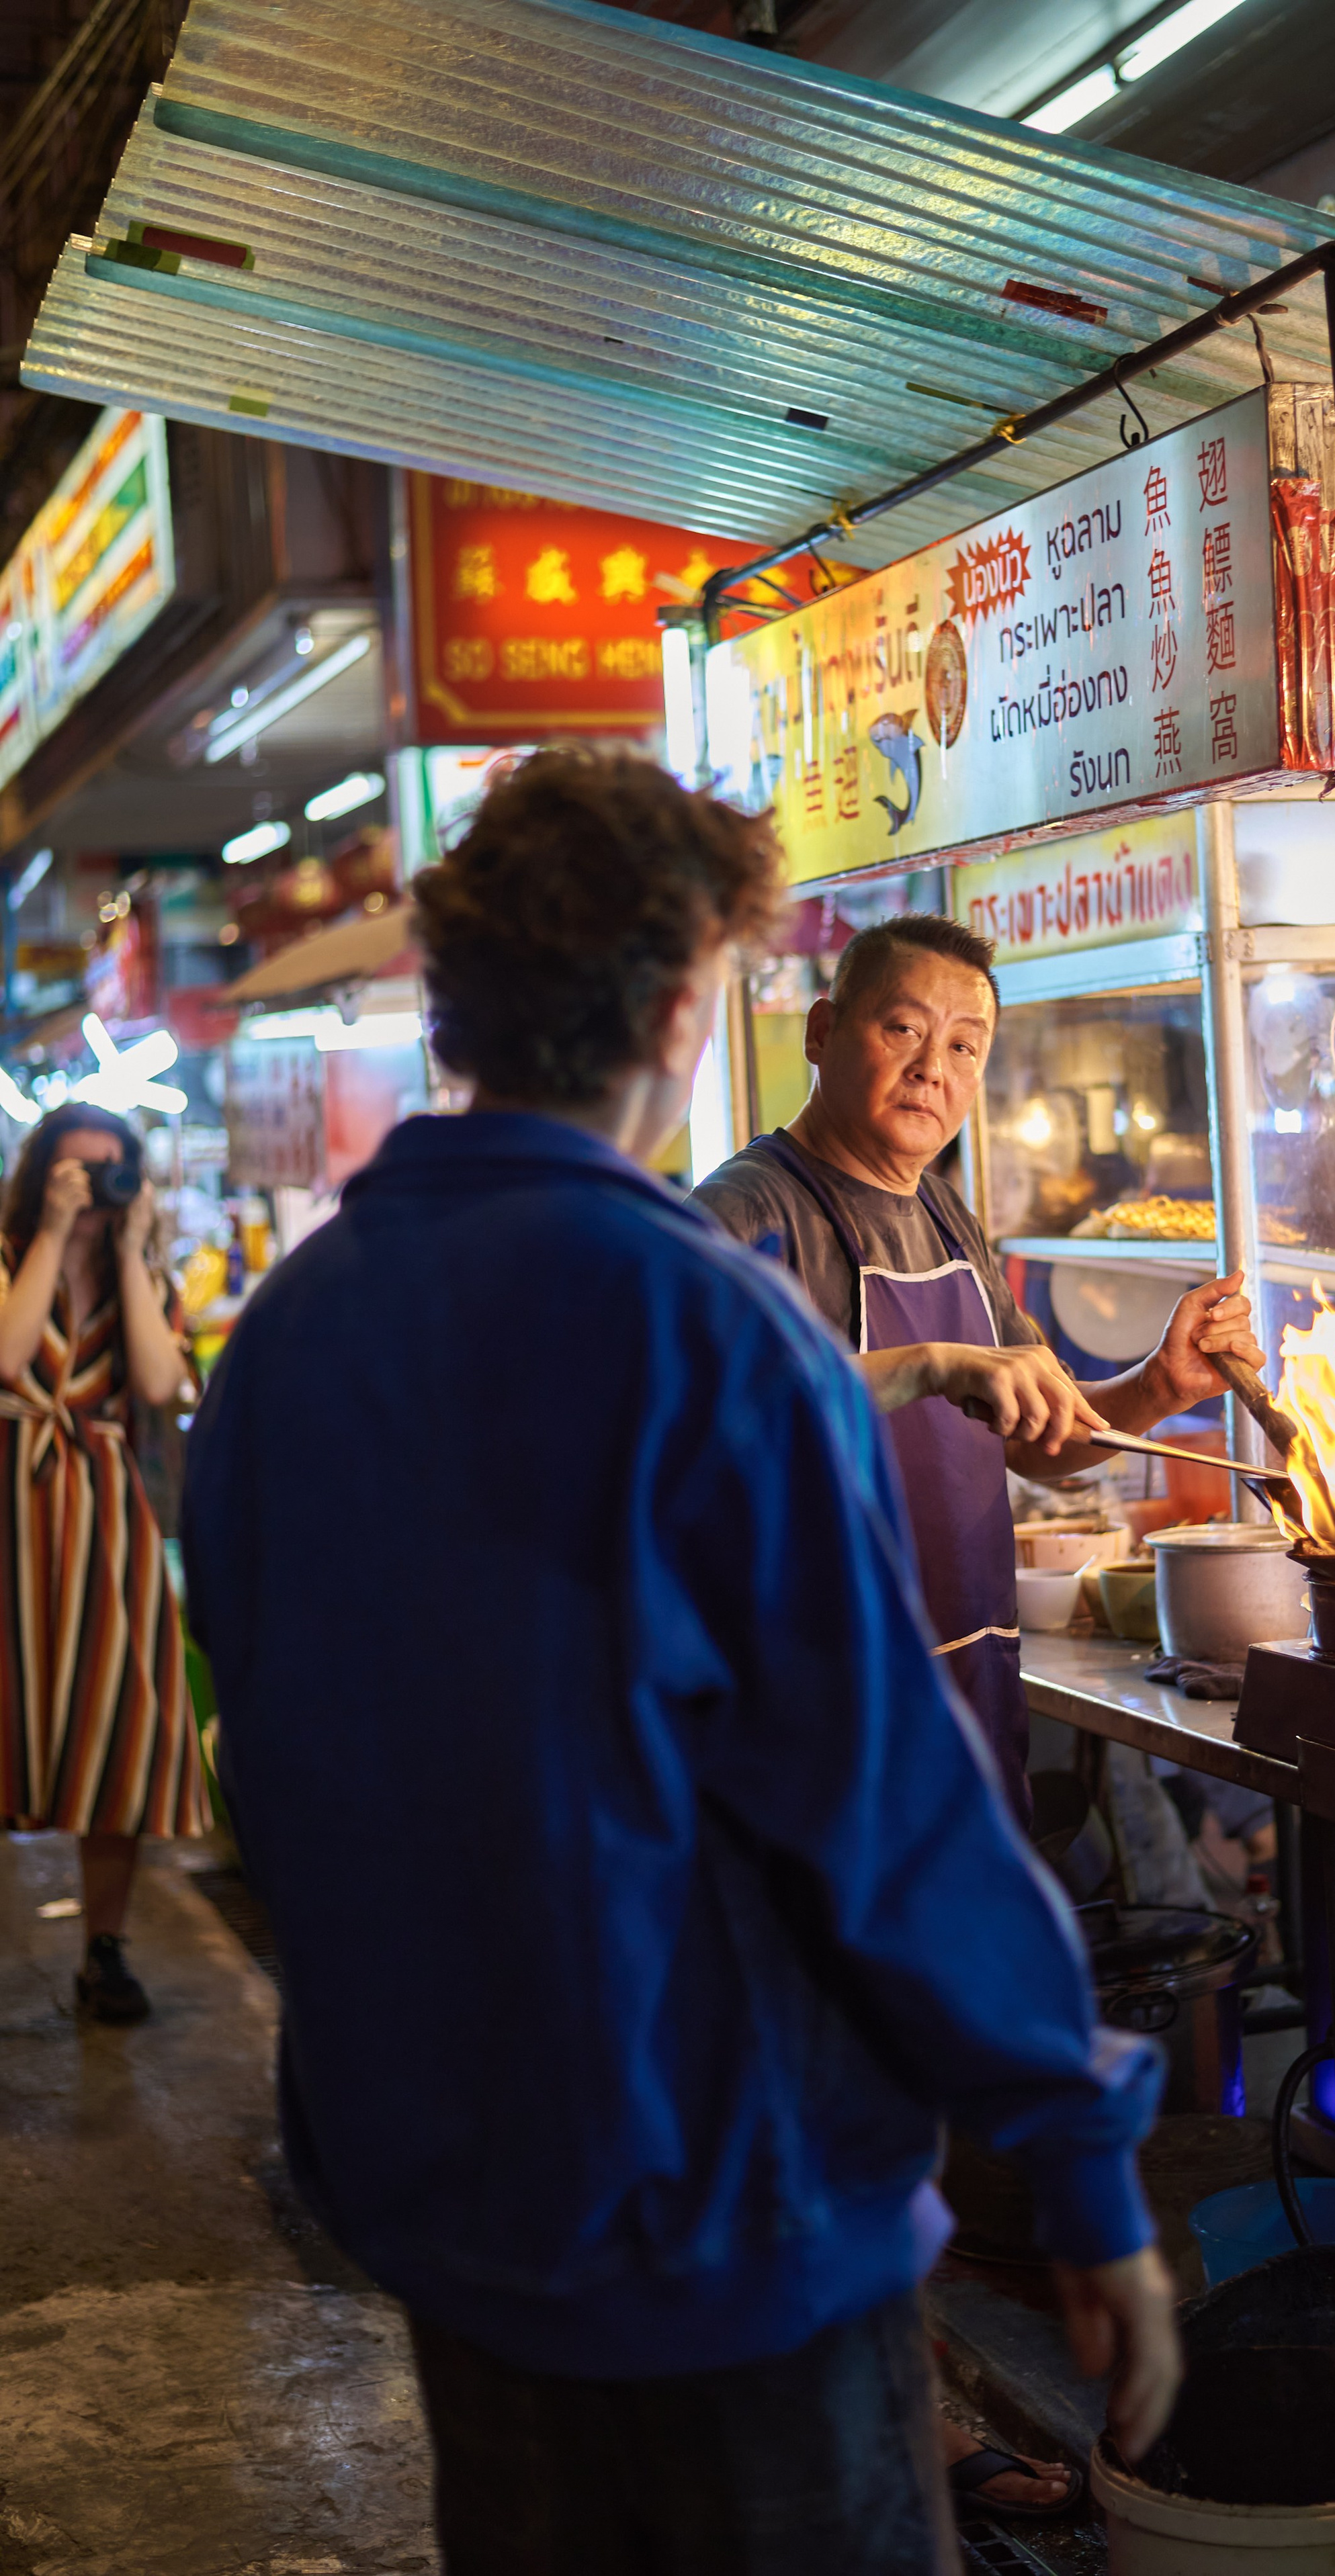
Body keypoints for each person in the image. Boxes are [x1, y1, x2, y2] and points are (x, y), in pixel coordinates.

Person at [182, 749, 1182, 2576]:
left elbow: (266, 1774)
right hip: (740, 2227)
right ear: (679, 1003)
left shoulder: (286, 1341)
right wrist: (1087, 2153)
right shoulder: (713, 1316)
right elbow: (886, 1805)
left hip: (454, 2218)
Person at [692, 916, 1266, 1818]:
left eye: (966, 1046)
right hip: (828, 1716)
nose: (934, 1068)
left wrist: (1159, 1384)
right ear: (821, 1032)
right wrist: (925, 1364)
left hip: (971, 1685)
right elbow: (701, 1419)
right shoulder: (746, 1212)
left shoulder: (949, 1217)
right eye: (903, 1030)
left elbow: (1037, 1440)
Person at [0, 1104, 206, 2021]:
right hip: (10, 1510)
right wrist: (49, 1231)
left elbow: (161, 1387)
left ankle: (106, 1948)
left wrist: (129, 1251)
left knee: (111, 1725)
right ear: (41, 1172)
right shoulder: (10, 1261)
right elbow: (8, 1359)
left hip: (105, 1525)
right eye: (72, 1173)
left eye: (108, 1173)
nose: (90, 1193)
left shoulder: (147, 1282)